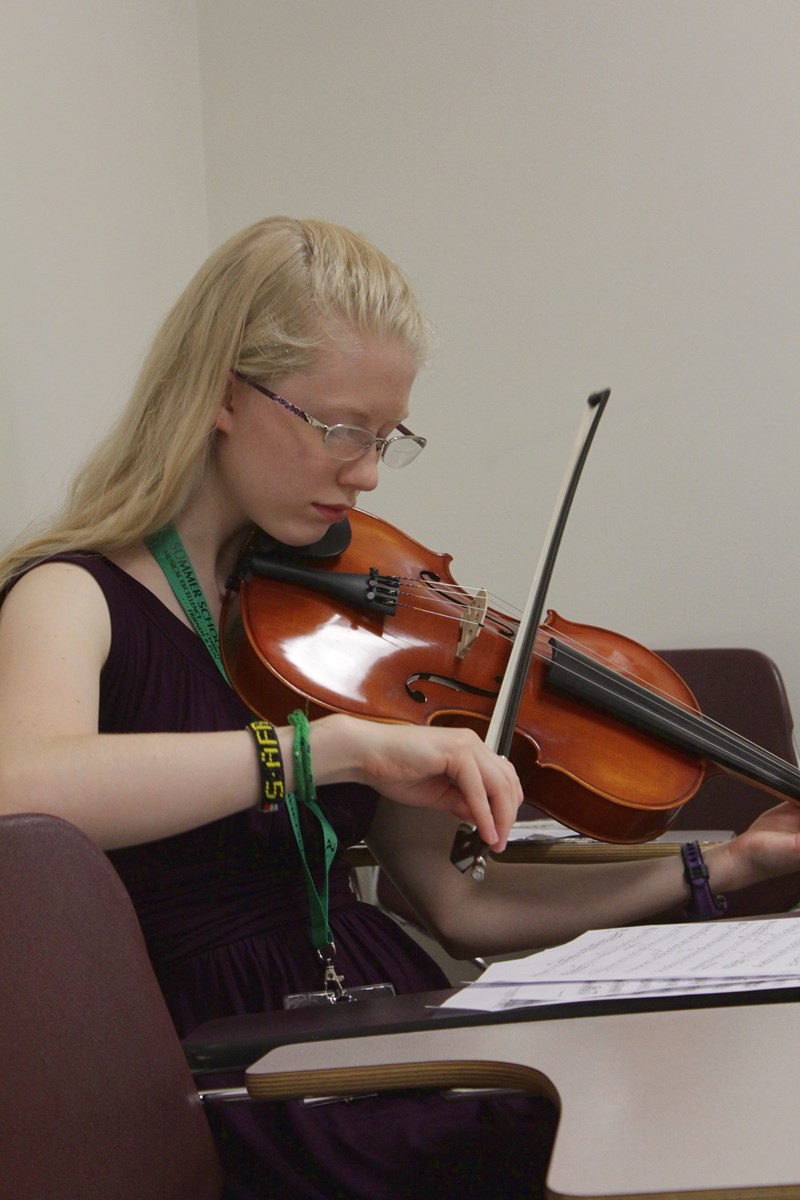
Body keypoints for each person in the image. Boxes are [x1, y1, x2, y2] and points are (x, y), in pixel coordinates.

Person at [2, 215, 800, 1199]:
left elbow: (459, 906)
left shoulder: (336, 629)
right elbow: (21, 789)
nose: (368, 473)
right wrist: (321, 752)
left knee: (665, 1110)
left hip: (392, 1028)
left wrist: (723, 864)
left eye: (387, 439)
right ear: (221, 393)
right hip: (228, 1077)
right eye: (341, 429)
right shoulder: (72, 595)